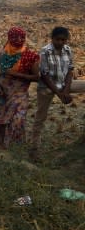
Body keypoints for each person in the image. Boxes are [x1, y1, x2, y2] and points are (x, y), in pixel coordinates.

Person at [29, 26, 84, 159]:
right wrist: (60, 94)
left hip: (64, 85)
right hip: (47, 86)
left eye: (63, 40)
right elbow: (45, 75)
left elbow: (70, 70)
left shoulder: (68, 50)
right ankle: (34, 149)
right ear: (52, 38)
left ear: (67, 40)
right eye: (58, 39)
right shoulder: (45, 51)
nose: (60, 42)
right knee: (40, 117)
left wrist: (65, 90)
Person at [0, 27, 40, 149]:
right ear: (9, 38)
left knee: (17, 119)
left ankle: (14, 149)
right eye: (15, 37)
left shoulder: (30, 56)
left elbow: (37, 77)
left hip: (19, 94)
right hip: (1, 94)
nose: (19, 40)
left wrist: (17, 74)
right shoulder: (1, 53)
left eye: (22, 37)